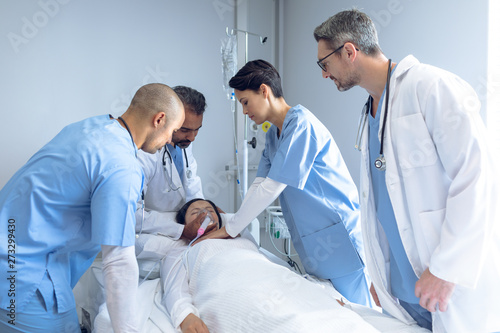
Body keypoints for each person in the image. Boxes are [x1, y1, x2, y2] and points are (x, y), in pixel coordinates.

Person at [313, 9, 500, 333]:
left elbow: (477, 175)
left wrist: (447, 268)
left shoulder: (431, 87)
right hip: (405, 291)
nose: (324, 75)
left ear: (348, 51)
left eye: (324, 63)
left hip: (446, 286)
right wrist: (380, 275)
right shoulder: (371, 111)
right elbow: (380, 205)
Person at [0, 83, 185, 332]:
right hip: (22, 277)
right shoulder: (121, 165)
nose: (171, 140)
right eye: (173, 131)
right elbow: (118, 261)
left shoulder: (88, 128)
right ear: (159, 119)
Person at [198, 59, 372, 307]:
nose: (245, 112)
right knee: (337, 315)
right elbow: (258, 186)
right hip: (315, 244)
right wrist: (231, 224)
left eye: (245, 102)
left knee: (362, 314)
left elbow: (271, 188)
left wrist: (230, 229)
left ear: (264, 90)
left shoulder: (301, 124)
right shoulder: (273, 134)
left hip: (340, 237)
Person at [162, 199, 429, 333]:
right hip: (232, 289)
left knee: (333, 319)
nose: (205, 215)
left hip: (270, 281)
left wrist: (325, 294)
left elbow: (278, 268)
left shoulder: (243, 239)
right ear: (184, 227)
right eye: (195, 213)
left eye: (209, 209)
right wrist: (185, 316)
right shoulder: (182, 253)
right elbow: (174, 291)